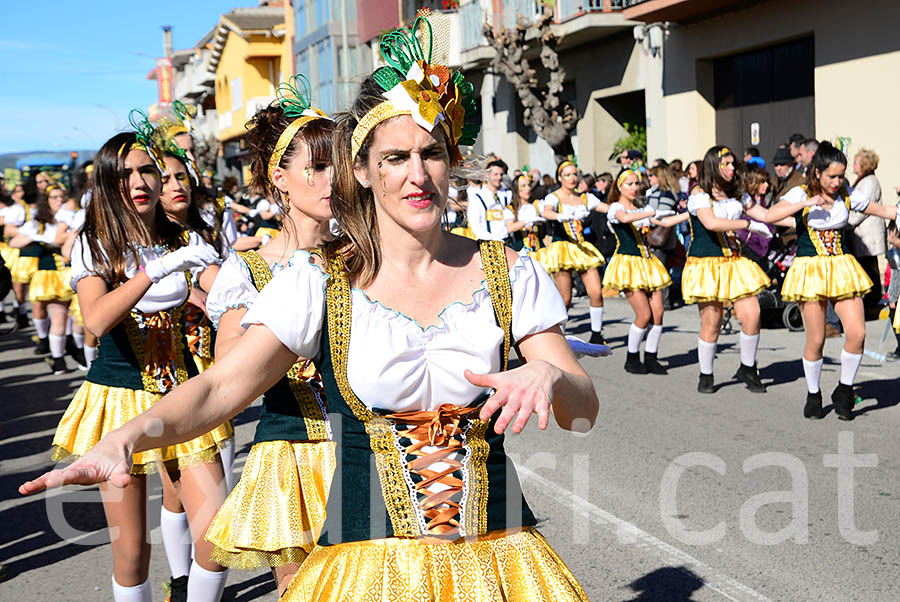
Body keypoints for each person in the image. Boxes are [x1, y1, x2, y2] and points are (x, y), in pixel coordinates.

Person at [21, 15, 598, 602]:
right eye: (396, 157)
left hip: (498, 565)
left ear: (453, 160)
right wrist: (125, 438)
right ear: (366, 171)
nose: (418, 175)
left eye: (433, 153)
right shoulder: (318, 280)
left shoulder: (509, 270)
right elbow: (222, 388)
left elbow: (583, 412)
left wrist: (552, 375)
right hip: (366, 569)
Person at [42, 125, 231, 602]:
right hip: (119, 397)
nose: (140, 180)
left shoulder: (181, 237)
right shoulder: (94, 244)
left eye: (147, 169)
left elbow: (224, 292)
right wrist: (151, 273)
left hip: (182, 396)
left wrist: (236, 283)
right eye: (125, 173)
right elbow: (98, 319)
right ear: (109, 183)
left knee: (216, 538)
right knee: (130, 552)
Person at [203, 76, 337, 596]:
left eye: (338, 168)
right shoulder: (249, 269)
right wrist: (284, 311)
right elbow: (229, 370)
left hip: (362, 443)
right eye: (316, 168)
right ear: (280, 178)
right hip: (289, 447)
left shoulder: (363, 257)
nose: (331, 181)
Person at [760, 142, 899, 420]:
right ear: (817, 173)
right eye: (831, 177)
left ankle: (844, 390)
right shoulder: (801, 191)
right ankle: (813, 393)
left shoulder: (847, 194)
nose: (837, 182)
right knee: (817, 338)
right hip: (810, 270)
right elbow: (770, 215)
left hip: (841, 266)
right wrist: (805, 203)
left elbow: (884, 211)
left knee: (857, 333)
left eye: (841, 176)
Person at [656, 146, 775, 394]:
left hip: (734, 262)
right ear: (714, 166)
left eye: (733, 163)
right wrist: (747, 224)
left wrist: (804, 206)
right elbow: (711, 223)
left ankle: (748, 367)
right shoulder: (700, 194)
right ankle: (706, 373)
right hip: (706, 264)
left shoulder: (737, 194)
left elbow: (766, 213)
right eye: (727, 164)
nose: (733, 168)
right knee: (712, 322)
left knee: (752, 315)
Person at [603, 168, 672, 373]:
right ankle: (631, 357)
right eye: (629, 184)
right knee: (643, 315)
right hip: (627, 265)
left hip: (648, 264)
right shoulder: (616, 207)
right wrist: (650, 212)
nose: (634, 188)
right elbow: (624, 219)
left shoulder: (640, 207)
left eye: (636, 184)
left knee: (658, 313)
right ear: (619, 187)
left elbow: (664, 223)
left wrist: (690, 213)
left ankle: (651, 356)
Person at [538, 159, 609, 344]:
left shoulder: (585, 198)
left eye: (574, 174)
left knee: (596, 291)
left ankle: (596, 333)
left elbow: (607, 208)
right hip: (562, 247)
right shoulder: (554, 197)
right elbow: (546, 212)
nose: (572, 178)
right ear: (560, 178)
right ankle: (559, 337)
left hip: (581, 247)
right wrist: (560, 216)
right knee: (565, 298)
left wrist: (623, 210)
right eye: (567, 174)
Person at [8, 193, 73, 372]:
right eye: (55, 197)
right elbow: (14, 241)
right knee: (50, 313)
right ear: (47, 201)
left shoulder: (74, 217)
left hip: (74, 272)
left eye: (62, 197)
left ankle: (75, 350)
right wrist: (38, 238)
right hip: (49, 275)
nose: (60, 200)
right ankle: (53, 351)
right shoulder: (39, 223)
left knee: (77, 319)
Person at [846, 148, 886, 311]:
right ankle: (871, 300)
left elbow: (864, 208)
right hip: (861, 233)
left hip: (868, 234)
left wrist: (848, 222)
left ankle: (873, 302)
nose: (853, 166)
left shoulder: (870, 182)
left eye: (856, 163)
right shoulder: (862, 180)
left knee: (870, 268)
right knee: (867, 267)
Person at [466, 159, 511, 241]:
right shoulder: (477, 198)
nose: (499, 177)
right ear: (487, 175)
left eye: (501, 174)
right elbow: (475, 225)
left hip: (507, 241)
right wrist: (493, 239)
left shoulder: (507, 194)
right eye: (496, 174)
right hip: (488, 243)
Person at [504, 172, 547, 255]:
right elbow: (509, 228)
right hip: (520, 251)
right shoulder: (511, 209)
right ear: (516, 189)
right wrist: (526, 221)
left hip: (539, 252)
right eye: (523, 186)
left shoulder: (536, 205)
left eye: (529, 185)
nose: (528, 188)